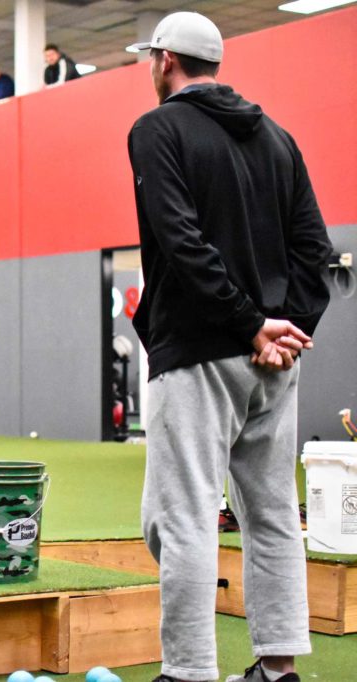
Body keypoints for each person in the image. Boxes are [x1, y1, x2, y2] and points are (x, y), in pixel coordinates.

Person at [126, 11, 333, 682]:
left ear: (164, 62)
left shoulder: (155, 130)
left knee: (180, 520)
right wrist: (289, 328)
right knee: (271, 516)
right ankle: (277, 670)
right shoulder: (279, 139)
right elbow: (318, 254)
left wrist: (249, 325)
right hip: (275, 359)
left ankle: (187, 673)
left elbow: (180, 238)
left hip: (198, 352)